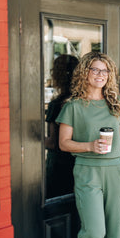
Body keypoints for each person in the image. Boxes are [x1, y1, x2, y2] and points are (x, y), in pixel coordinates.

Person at [57, 51, 120, 238]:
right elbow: (63, 143)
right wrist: (89, 146)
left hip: (116, 171)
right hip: (88, 171)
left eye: (105, 71)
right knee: (95, 231)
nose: (101, 75)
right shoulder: (73, 106)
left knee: (113, 231)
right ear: (85, 73)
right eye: (95, 70)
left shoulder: (115, 102)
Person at [45, 54, 79, 198]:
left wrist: (33, 137)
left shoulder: (58, 104)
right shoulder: (83, 101)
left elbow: (53, 143)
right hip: (79, 166)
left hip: (60, 168)